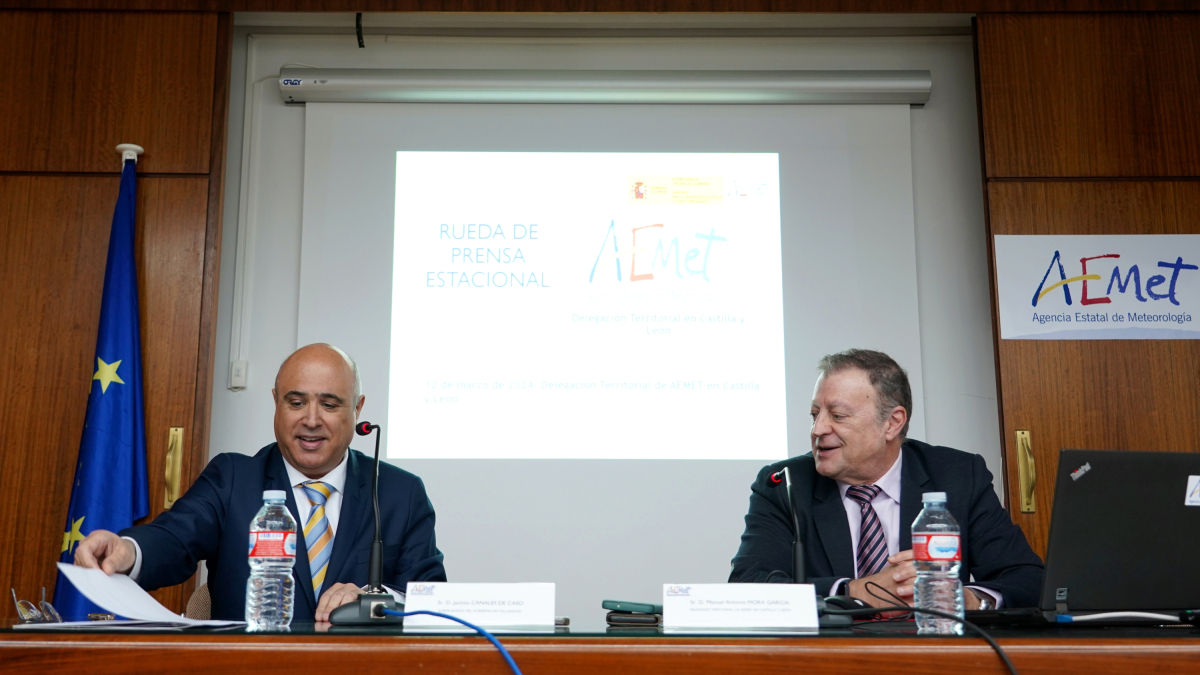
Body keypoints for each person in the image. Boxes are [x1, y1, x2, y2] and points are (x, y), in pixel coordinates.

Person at [74, 343, 446, 621]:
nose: (312, 420)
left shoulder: (400, 493)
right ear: (276, 402)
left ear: (358, 409)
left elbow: (431, 600)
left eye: (330, 405)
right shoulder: (233, 479)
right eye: (296, 402)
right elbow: (174, 537)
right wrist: (128, 550)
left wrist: (372, 599)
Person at [729, 349, 1043, 610]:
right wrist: (854, 591)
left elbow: (1028, 578)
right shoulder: (785, 484)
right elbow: (748, 585)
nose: (818, 430)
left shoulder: (957, 476)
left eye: (837, 416)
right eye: (815, 414)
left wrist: (971, 600)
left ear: (892, 423)